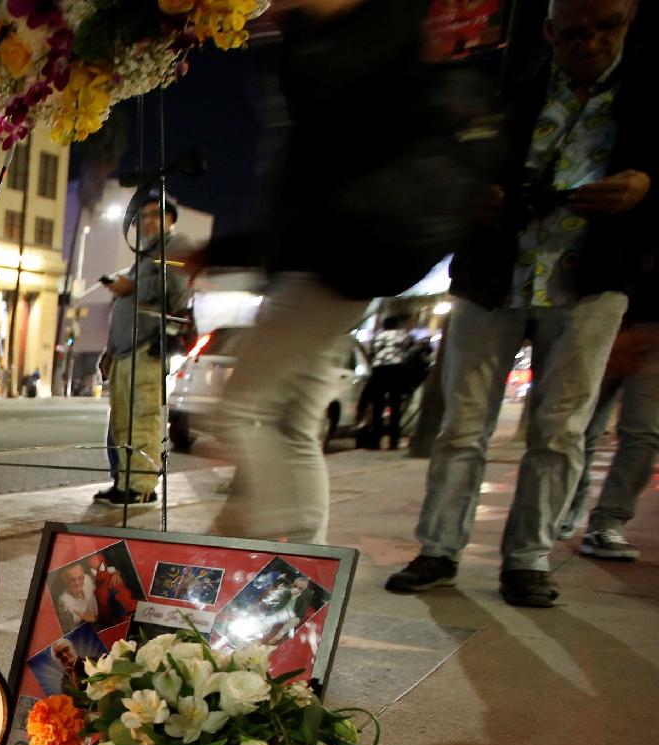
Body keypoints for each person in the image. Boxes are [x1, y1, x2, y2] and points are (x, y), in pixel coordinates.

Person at [196, 0, 502, 545]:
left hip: (333, 261)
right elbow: (304, 172)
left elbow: (319, 155)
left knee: (239, 412)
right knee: (293, 427)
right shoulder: (346, 37)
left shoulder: (370, 34)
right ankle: (304, 556)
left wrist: (301, 27)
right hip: (331, 263)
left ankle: (259, 546)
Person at [390, 0, 652, 606]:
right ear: (549, 32)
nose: (590, 43)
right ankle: (438, 549)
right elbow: (457, 172)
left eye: (606, 28)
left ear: (629, 19)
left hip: (591, 278)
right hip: (495, 272)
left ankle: (528, 558)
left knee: (561, 428)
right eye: (574, 33)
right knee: (463, 423)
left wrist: (642, 186)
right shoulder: (511, 95)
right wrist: (476, 198)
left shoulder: (646, 98)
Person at [97, 198, 189, 507]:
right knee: (122, 421)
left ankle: (142, 485)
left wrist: (131, 286)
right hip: (125, 352)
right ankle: (125, 482)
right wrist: (109, 352)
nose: (147, 222)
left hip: (146, 350)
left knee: (142, 419)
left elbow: (175, 289)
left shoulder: (175, 247)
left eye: (155, 215)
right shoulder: (146, 256)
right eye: (144, 217)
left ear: (170, 219)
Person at [564, 307, 658, 558]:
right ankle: (565, 506)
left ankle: (607, 523)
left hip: (651, 328)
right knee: (574, 424)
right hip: (601, 311)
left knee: (644, 432)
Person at [54, 560, 100, 627]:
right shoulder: (63, 601)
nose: (77, 583)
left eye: (80, 578)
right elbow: (88, 619)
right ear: (65, 581)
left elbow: (108, 573)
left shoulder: (88, 579)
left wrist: (115, 574)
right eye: (72, 580)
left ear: (83, 575)